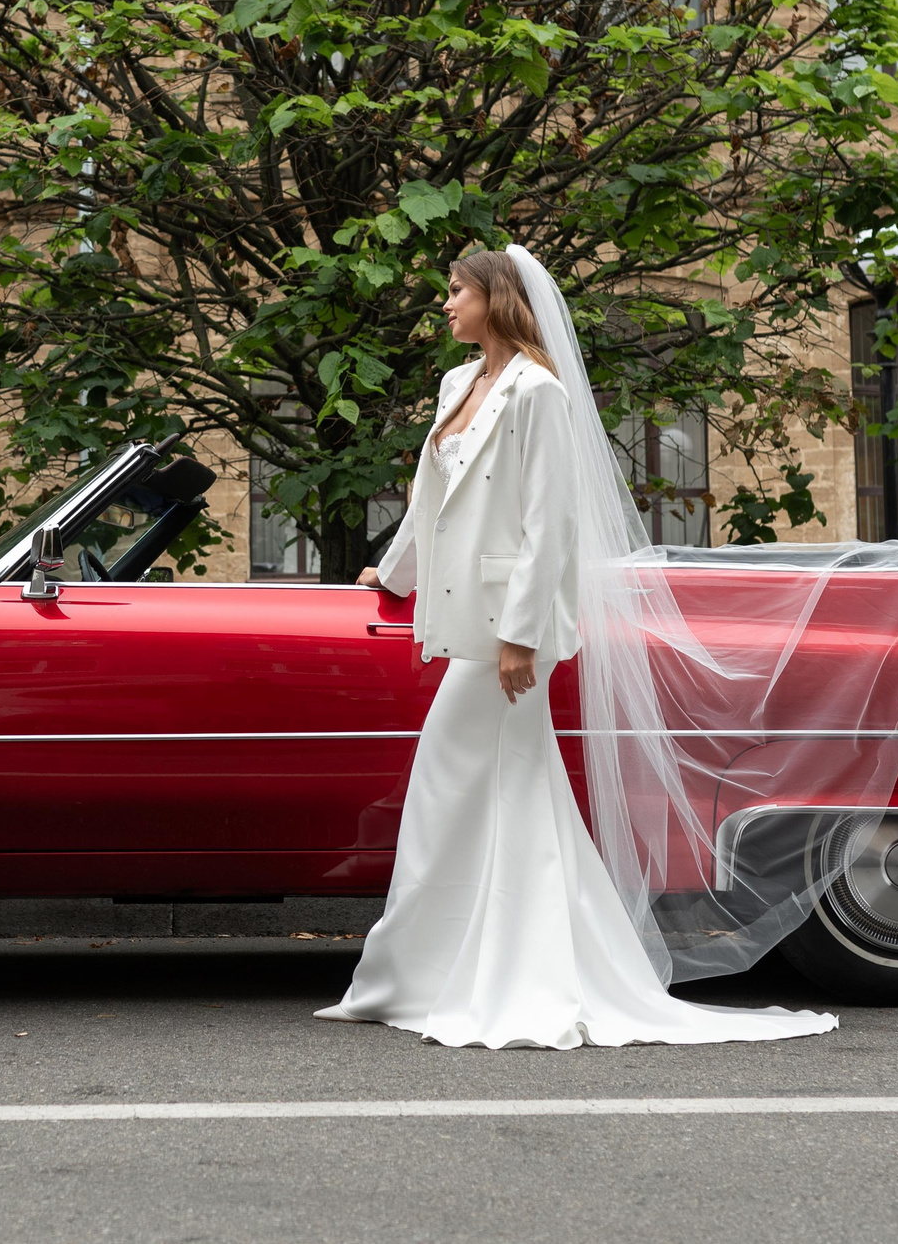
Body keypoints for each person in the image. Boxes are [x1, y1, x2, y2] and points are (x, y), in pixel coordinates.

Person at [318, 248, 848, 1049]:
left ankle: (508, 978)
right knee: (500, 796)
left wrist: (521, 636)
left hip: (511, 630)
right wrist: (392, 571)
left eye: (455, 290)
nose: (445, 305)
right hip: (468, 621)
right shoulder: (456, 384)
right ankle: (436, 972)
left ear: (496, 297)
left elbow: (550, 521)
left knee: (457, 785)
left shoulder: (540, 392)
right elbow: (435, 500)